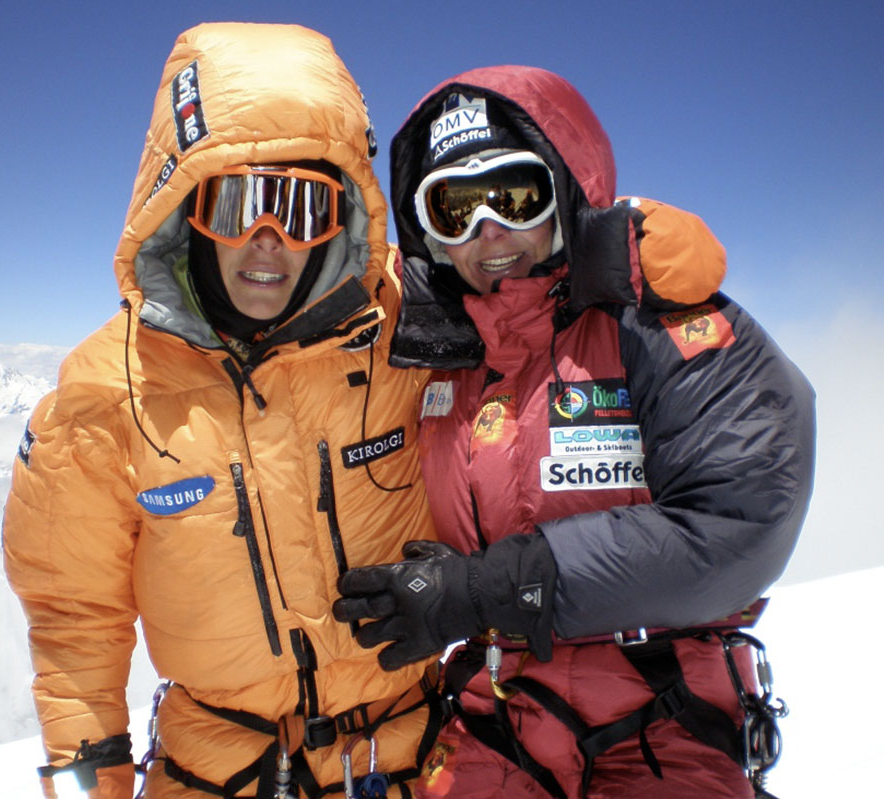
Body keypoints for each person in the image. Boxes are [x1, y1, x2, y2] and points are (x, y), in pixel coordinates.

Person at [333, 67, 816, 799]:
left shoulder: (653, 321)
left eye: (515, 196)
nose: (487, 232)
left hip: (665, 713)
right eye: (454, 207)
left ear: (564, 191)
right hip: (496, 715)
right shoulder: (435, 359)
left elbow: (738, 519)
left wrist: (484, 590)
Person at [2, 23, 444, 799]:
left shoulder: (407, 337)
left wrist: (638, 272)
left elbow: (539, 347)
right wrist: (85, 786)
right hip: (217, 774)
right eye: (238, 204)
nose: (268, 241)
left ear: (342, 219)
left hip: (412, 761)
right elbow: (76, 620)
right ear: (185, 208)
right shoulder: (108, 394)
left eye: (301, 209)